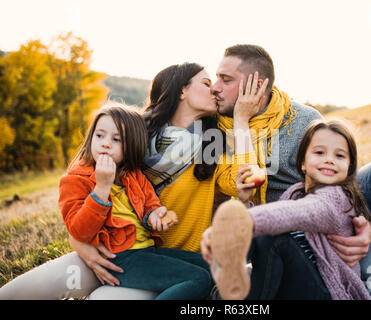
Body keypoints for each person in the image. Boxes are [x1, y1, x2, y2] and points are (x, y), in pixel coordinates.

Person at [201, 44, 371, 299]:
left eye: (225, 79)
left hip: (333, 209)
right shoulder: (214, 130)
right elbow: (214, 197)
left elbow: (343, 182)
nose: (215, 87)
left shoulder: (302, 119)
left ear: (257, 85)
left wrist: (359, 220)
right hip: (288, 230)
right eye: (216, 77)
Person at [0, 62, 265, 299]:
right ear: (182, 91)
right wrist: (81, 245)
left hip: (163, 261)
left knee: (105, 298)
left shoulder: (212, 147)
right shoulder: (132, 132)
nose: (215, 90)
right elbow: (82, 192)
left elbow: (245, 180)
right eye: (206, 84)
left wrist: (241, 119)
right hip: (111, 251)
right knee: (25, 289)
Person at [210, 119, 371, 299]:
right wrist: (244, 202)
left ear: (349, 166)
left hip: (328, 292)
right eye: (320, 152)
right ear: (303, 163)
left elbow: (291, 214)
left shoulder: (338, 199)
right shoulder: (294, 193)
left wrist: (233, 223)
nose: (329, 160)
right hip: (295, 284)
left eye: (340, 156)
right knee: (221, 292)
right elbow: (259, 241)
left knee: (274, 238)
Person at [60, 103, 215, 299]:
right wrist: (102, 188)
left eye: (116, 139)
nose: (106, 143)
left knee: (211, 266)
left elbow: (150, 205)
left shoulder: (133, 176)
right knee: (197, 278)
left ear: (131, 145)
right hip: (120, 258)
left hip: (146, 251)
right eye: (99, 136)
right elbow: (79, 231)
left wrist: (156, 216)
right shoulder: (75, 180)